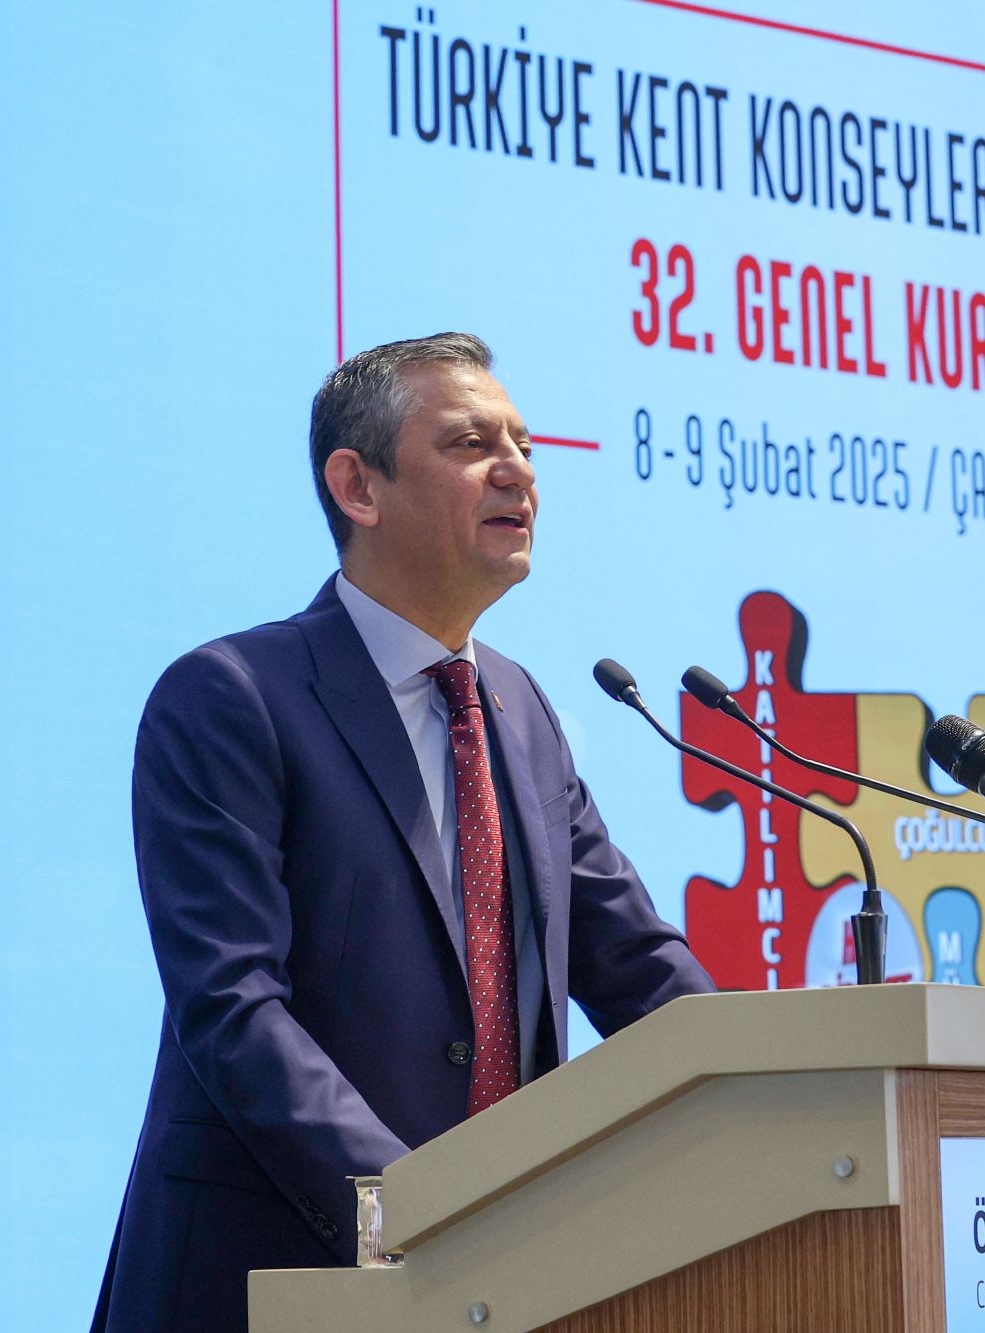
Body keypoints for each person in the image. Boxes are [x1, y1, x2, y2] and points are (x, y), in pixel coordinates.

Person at [90, 333, 715, 1333]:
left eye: (523, 446)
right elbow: (233, 1008)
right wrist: (419, 1213)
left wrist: (777, 1081)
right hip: (273, 1278)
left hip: (502, 1283)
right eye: (471, 443)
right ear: (358, 486)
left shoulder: (521, 710)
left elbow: (639, 970)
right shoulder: (232, 698)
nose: (517, 470)